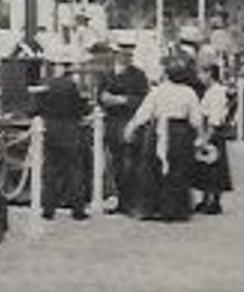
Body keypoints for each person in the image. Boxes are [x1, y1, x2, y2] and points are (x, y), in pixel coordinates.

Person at [124, 56, 206, 221]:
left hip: (158, 131)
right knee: (178, 169)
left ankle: (152, 208)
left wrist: (131, 127)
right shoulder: (189, 92)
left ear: (167, 74)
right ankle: (176, 209)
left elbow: (144, 113)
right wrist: (200, 136)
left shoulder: (158, 91)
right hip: (180, 133)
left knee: (153, 168)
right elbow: (196, 119)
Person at [31, 58, 92, 220]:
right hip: (70, 131)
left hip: (50, 130)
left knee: (50, 171)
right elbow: (81, 109)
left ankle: (48, 209)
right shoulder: (72, 85)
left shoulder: (44, 84)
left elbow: (35, 108)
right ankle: (78, 210)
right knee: (74, 170)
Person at [96, 44, 150, 215]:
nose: (126, 57)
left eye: (129, 54)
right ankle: (120, 199)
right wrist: (104, 100)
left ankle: (131, 201)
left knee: (131, 162)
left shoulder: (139, 75)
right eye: (123, 54)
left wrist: (121, 100)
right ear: (116, 54)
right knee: (116, 162)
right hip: (111, 122)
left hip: (130, 121)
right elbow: (99, 95)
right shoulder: (106, 73)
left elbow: (144, 100)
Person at [191, 61, 233, 215]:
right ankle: (205, 199)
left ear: (210, 74)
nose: (199, 77)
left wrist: (205, 139)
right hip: (208, 131)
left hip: (213, 133)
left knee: (214, 168)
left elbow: (214, 119)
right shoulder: (210, 91)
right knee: (205, 168)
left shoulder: (216, 92)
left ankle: (214, 202)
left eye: (202, 73)